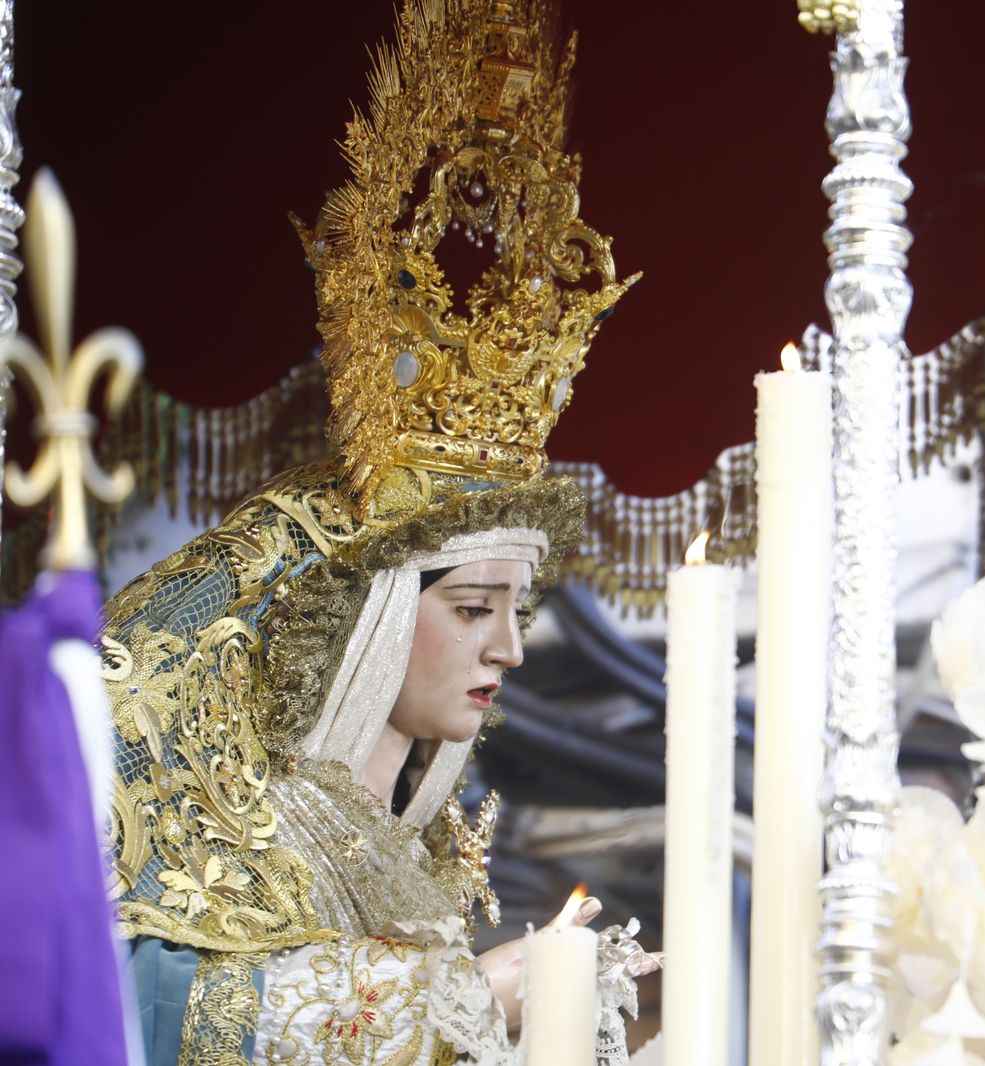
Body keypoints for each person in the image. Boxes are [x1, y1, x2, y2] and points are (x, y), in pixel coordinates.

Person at [101, 0, 645, 1060]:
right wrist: (454, 998)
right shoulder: (257, 832)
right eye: (473, 606)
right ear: (368, 614)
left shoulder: (406, 844)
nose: (510, 647)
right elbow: (138, 1006)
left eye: (517, 609)